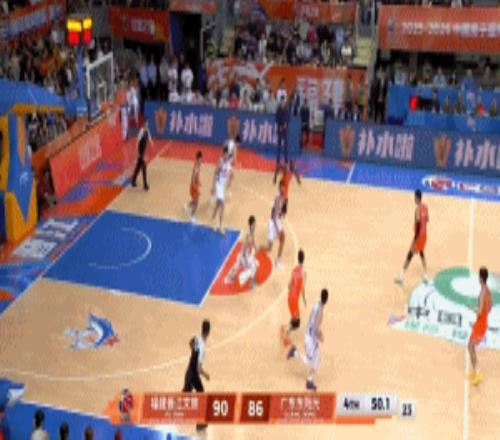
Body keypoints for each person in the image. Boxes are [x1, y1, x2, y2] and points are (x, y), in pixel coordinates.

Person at [287, 288, 328, 391]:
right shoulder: (321, 312)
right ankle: (294, 352)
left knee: (317, 358)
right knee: (308, 361)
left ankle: (309, 381)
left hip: (310, 336)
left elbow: (311, 319)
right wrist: (321, 336)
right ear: (327, 300)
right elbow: (316, 328)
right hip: (310, 339)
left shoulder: (316, 304)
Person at [395, 190, 429, 285]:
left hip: (418, 236)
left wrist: (414, 240)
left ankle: (401, 276)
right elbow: (427, 219)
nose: (414, 199)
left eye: (415, 197)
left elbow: (418, 225)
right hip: (424, 235)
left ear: (417, 198)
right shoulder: (425, 207)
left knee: (409, 255)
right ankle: (426, 275)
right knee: (421, 253)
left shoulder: (417, 210)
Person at [183, 320, 211, 431]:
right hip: (193, 375)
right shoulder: (202, 348)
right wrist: (206, 375)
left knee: (191, 395)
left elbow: (190, 342)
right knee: (199, 397)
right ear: (208, 331)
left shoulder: (197, 338)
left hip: (189, 372)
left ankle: (200, 422)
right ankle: (200, 423)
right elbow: (199, 369)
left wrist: (193, 355)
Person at [467, 267, 492, 386]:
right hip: (483, 322)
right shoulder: (488, 291)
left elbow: (480, 311)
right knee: (471, 346)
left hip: (480, 324)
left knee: (470, 346)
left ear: (481, 278)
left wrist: (470, 307)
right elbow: (490, 306)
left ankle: (477, 373)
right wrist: (483, 317)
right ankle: (476, 371)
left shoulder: (482, 294)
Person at [281, 249, 307, 347]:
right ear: (303, 259)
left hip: (290, 298)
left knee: (294, 318)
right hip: (294, 300)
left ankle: (285, 329)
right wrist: (304, 299)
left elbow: (289, 285)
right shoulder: (304, 272)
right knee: (297, 323)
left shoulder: (294, 270)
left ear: (298, 258)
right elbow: (303, 287)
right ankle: (286, 333)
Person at [225, 216, 258, 288]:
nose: (255, 226)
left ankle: (228, 278)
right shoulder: (249, 236)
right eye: (254, 224)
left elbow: (252, 242)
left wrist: (255, 247)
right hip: (243, 256)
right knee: (253, 266)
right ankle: (251, 283)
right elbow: (244, 249)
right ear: (251, 225)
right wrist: (246, 261)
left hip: (242, 255)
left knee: (236, 266)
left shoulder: (251, 233)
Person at [210, 147, 231, 234]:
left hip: (222, 186)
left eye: (227, 154)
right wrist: (213, 187)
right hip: (218, 185)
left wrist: (228, 183)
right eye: (225, 154)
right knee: (222, 206)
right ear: (223, 154)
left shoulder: (228, 162)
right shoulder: (221, 162)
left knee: (218, 204)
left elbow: (228, 173)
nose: (226, 155)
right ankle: (220, 226)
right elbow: (215, 173)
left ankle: (212, 220)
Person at [266, 180, 287, 268]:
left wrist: (282, 214)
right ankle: (258, 250)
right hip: (273, 222)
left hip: (277, 221)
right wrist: (277, 228)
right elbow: (273, 214)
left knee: (283, 239)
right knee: (269, 248)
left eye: (284, 188)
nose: (283, 189)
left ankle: (278, 261)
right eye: (281, 188)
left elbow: (280, 211)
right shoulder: (277, 198)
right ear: (279, 188)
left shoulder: (283, 198)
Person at [131, 119, 154, 191]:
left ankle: (133, 180)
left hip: (143, 151)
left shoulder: (147, 130)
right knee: (144, 167)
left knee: (138, 167)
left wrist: (151, 143)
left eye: (147, 123)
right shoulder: (141, 131)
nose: (147, 125)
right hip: (140, 152)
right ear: (143, 124)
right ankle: (145, 184)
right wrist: (138, 153)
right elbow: (137, 142)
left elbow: (149, 137)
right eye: (146, 123)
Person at [274, 98, 290, 184]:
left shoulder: (286, 110)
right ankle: (278, 162)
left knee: (285, 147)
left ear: (285, 102)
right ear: (280, 103)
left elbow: (288, 119)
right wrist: (280, 126)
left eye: (283, 102)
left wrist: (285, 125)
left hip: (285, 130)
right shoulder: (278, 110)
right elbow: (276, 119)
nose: (282, 103)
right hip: (279, 130)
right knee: (279, 147)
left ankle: (286, 162)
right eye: (281, 102)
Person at [185, 151, 203, 222]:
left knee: (194, 201)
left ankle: (187, 206)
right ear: (197, 159)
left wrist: (199, 181)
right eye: (200, 159)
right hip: (193, 187)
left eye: (202, 159)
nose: (201, 161)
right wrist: (196, 189)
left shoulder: (198, 166)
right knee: (196, 203)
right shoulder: (196, 168)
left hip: (195, 185)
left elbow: (196, 177)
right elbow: (192, 180)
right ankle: (191, 216)